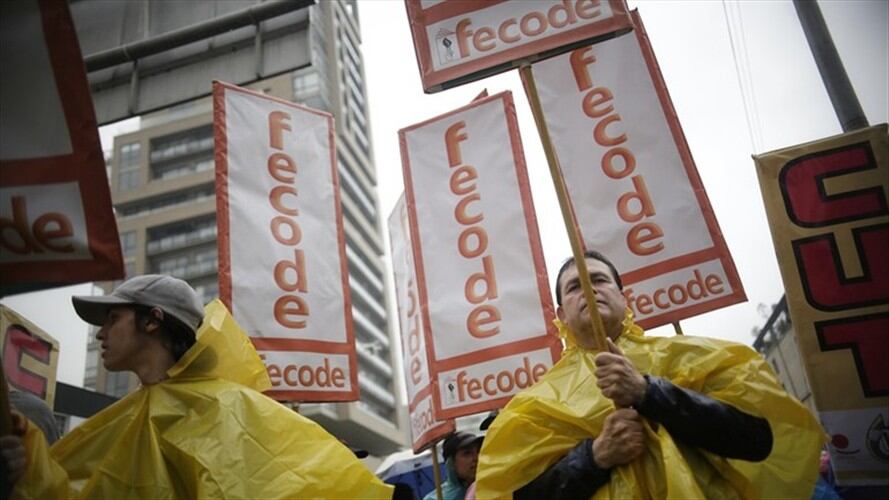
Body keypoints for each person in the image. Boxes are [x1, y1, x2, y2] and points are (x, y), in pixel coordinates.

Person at [2, 274, 393, 499]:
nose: (99, 334)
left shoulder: (230, 409)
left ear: (152, 321)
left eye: (113, 318)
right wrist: (27, 464)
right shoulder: (124, 419)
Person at [475, 251, 826, 499]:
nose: (589, 289)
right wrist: (594, 457)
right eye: (574, 286)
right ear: (560, 315)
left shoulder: (692, 356)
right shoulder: (535, 405)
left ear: (624, 297)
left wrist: (649, 393)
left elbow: (758, 440)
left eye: (598, 279)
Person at [423, 431, 482, 500]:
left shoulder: (492, 487)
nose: (476, 458)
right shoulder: (434, 498)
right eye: (467, 453)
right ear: (451, 463)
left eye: (479, 451)